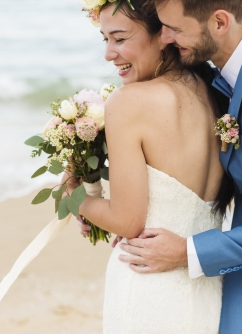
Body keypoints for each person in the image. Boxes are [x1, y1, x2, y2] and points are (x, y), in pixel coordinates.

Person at [69, 0, 233, 332]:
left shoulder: (129, 102)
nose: (109, 54)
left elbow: (127, 222)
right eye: (105, 39)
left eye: (120, 38)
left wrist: (71, 196)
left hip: (147, 287)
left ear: (164, 34)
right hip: (206, 290)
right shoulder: (216, 95)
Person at [113, 0, 242, 332]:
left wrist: (188, 251)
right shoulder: (216, 85)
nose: (165, 38)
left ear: (220, 23)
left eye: (174, 28)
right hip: (218, 290)